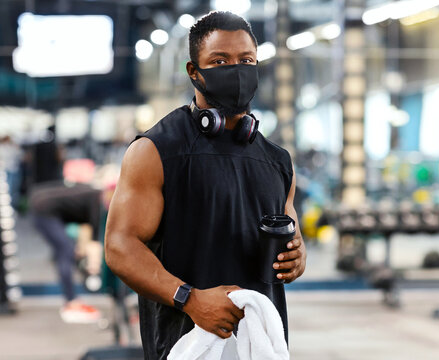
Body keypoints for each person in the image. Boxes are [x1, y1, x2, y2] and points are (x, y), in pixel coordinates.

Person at [104, 11, 307, 359]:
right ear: (193, 72)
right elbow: (121, 246)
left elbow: (292, 237)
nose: (236, 69)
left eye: (246, 60)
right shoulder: (156, 150)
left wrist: (297, 257)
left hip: (259, 345)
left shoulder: (277, 161)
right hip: (186, 342)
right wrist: (190, 298)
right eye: (220, 60)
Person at [30, 180, 103, 323]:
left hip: (42, 202)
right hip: (43, 208)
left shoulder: (94, 195)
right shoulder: (98, 203)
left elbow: (85, 232)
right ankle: (71, 302)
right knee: (66, 250)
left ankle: (71, 299)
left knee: (68, 250)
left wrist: (82, 251)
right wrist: (93, 267)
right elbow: (94, 244)